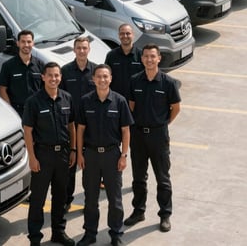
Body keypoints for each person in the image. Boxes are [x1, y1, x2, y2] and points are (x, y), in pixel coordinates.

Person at [124, 44, 181, 233]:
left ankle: (165, 214)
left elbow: (175, 108)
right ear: (142, 59)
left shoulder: (168, 83)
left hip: (158, 136)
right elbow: (131, 106)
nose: (149, 59)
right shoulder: (135, 81)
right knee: (139, 178)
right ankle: (138, 211)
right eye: (146, 56)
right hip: (138, 135)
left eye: (152, 56)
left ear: (159, 59)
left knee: (162, 178)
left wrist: (161, 124)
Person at [76, 64, 134, 246]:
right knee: (91, 198)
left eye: (105, 76)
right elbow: (80, 130)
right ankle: (90, 233)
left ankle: (116, 234)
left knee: (115, 199)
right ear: (93, 79)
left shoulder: (120, 101)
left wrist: (124, 155)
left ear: (111, 79)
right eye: (99, 76)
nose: (102, 80)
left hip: (112, 156)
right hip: (91, 155)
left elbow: (126, 131)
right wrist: (80, 154)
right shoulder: (85, 101)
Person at [22, 62, 76, 246]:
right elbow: (27, 131)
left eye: (57, 75)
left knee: (60, 197)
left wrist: (74, 150)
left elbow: (71, 126)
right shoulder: (33, 101)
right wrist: (32, 157)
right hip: (42, 156)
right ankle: (35, 238)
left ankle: (58, 232)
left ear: (60, 77)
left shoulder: (67, 98)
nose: (54, 79)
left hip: (63, 155)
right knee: (38, 199)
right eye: (50, 75)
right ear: (43, 77)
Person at [60, 36, 97, 213]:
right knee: (70, 166)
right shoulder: (65, 71)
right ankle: (67, 199)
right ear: (74, 50)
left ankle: (90, 200)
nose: (82, 51)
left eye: (84, 48)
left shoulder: (96, 71)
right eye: (79, 48)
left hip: (91, 126)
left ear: (89, 49)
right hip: (71, 126)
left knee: (90, 168)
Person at [0, 29, 44, 117]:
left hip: (37, 110)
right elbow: (2, 90)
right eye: (23, 42)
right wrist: (11, 111)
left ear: (33, 43)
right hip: (18, 112)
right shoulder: (8, 66)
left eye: (29, 42)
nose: (26, 45)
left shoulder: (40, 65)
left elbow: (45, 88)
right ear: (18, 43)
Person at [105, 23, 144, 100]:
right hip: (116, 98)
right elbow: (106, 76)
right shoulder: (111, 55)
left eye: (128, 33)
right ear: (119, 35)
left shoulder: (142, 55)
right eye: (122, 33)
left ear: (133, 35)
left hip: (137, 99)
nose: (125, 36)